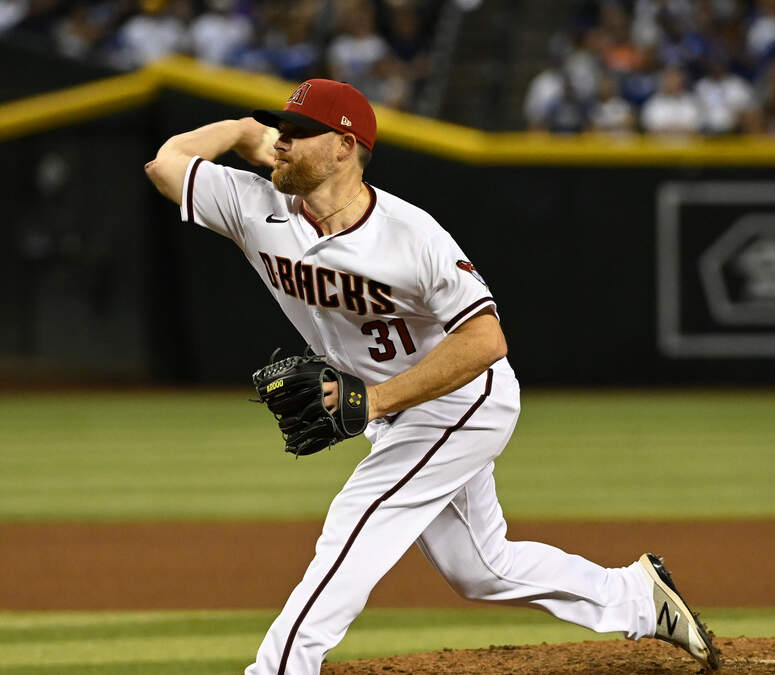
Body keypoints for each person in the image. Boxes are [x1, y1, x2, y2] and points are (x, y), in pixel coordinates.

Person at [143, 78, 720, 674]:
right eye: (279, 131)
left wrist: (372, 402)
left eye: (299, 133)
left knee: (358, 522)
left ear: (345, 147)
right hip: (398, 409)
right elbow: (166, 164)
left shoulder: (411, 236)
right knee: (480, 567)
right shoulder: (254, 206)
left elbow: (486, 340)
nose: (282, 143)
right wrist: (240, 131)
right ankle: (634, 598)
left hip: (464, 401)